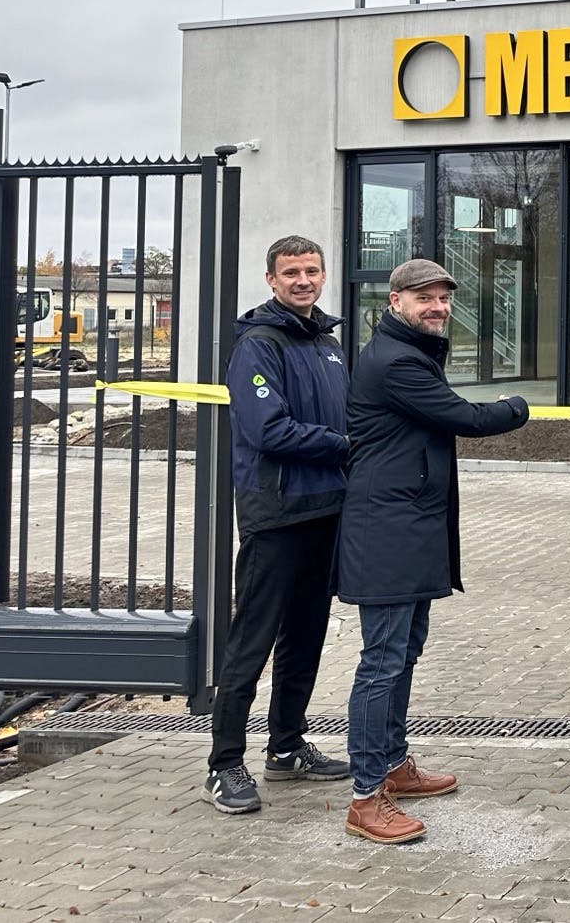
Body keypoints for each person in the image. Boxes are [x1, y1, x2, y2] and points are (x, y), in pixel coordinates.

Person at [336, 258, 531, 844]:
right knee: (382, 662)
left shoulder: (412, 353)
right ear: (395, 301)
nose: (438, 307)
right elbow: (465, 418)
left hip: (411, 526)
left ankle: (393, 764)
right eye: (424, 298)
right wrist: (517, 406)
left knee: (404, 653)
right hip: (386, 531)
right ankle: (365, 796)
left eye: (444, 298)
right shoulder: (397, 362)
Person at [203, 235, 351, 814]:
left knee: (306, 636)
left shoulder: (328, 344)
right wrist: (345, 446)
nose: (303, 280)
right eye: (291, 272)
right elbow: (268, 430)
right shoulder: (257, 345)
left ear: (323, 275)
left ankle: (286, 747)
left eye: (311, 270)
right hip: (277, 515)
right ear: (271, 279)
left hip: (327, 511)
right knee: (253, 639)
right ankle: (224, 764)